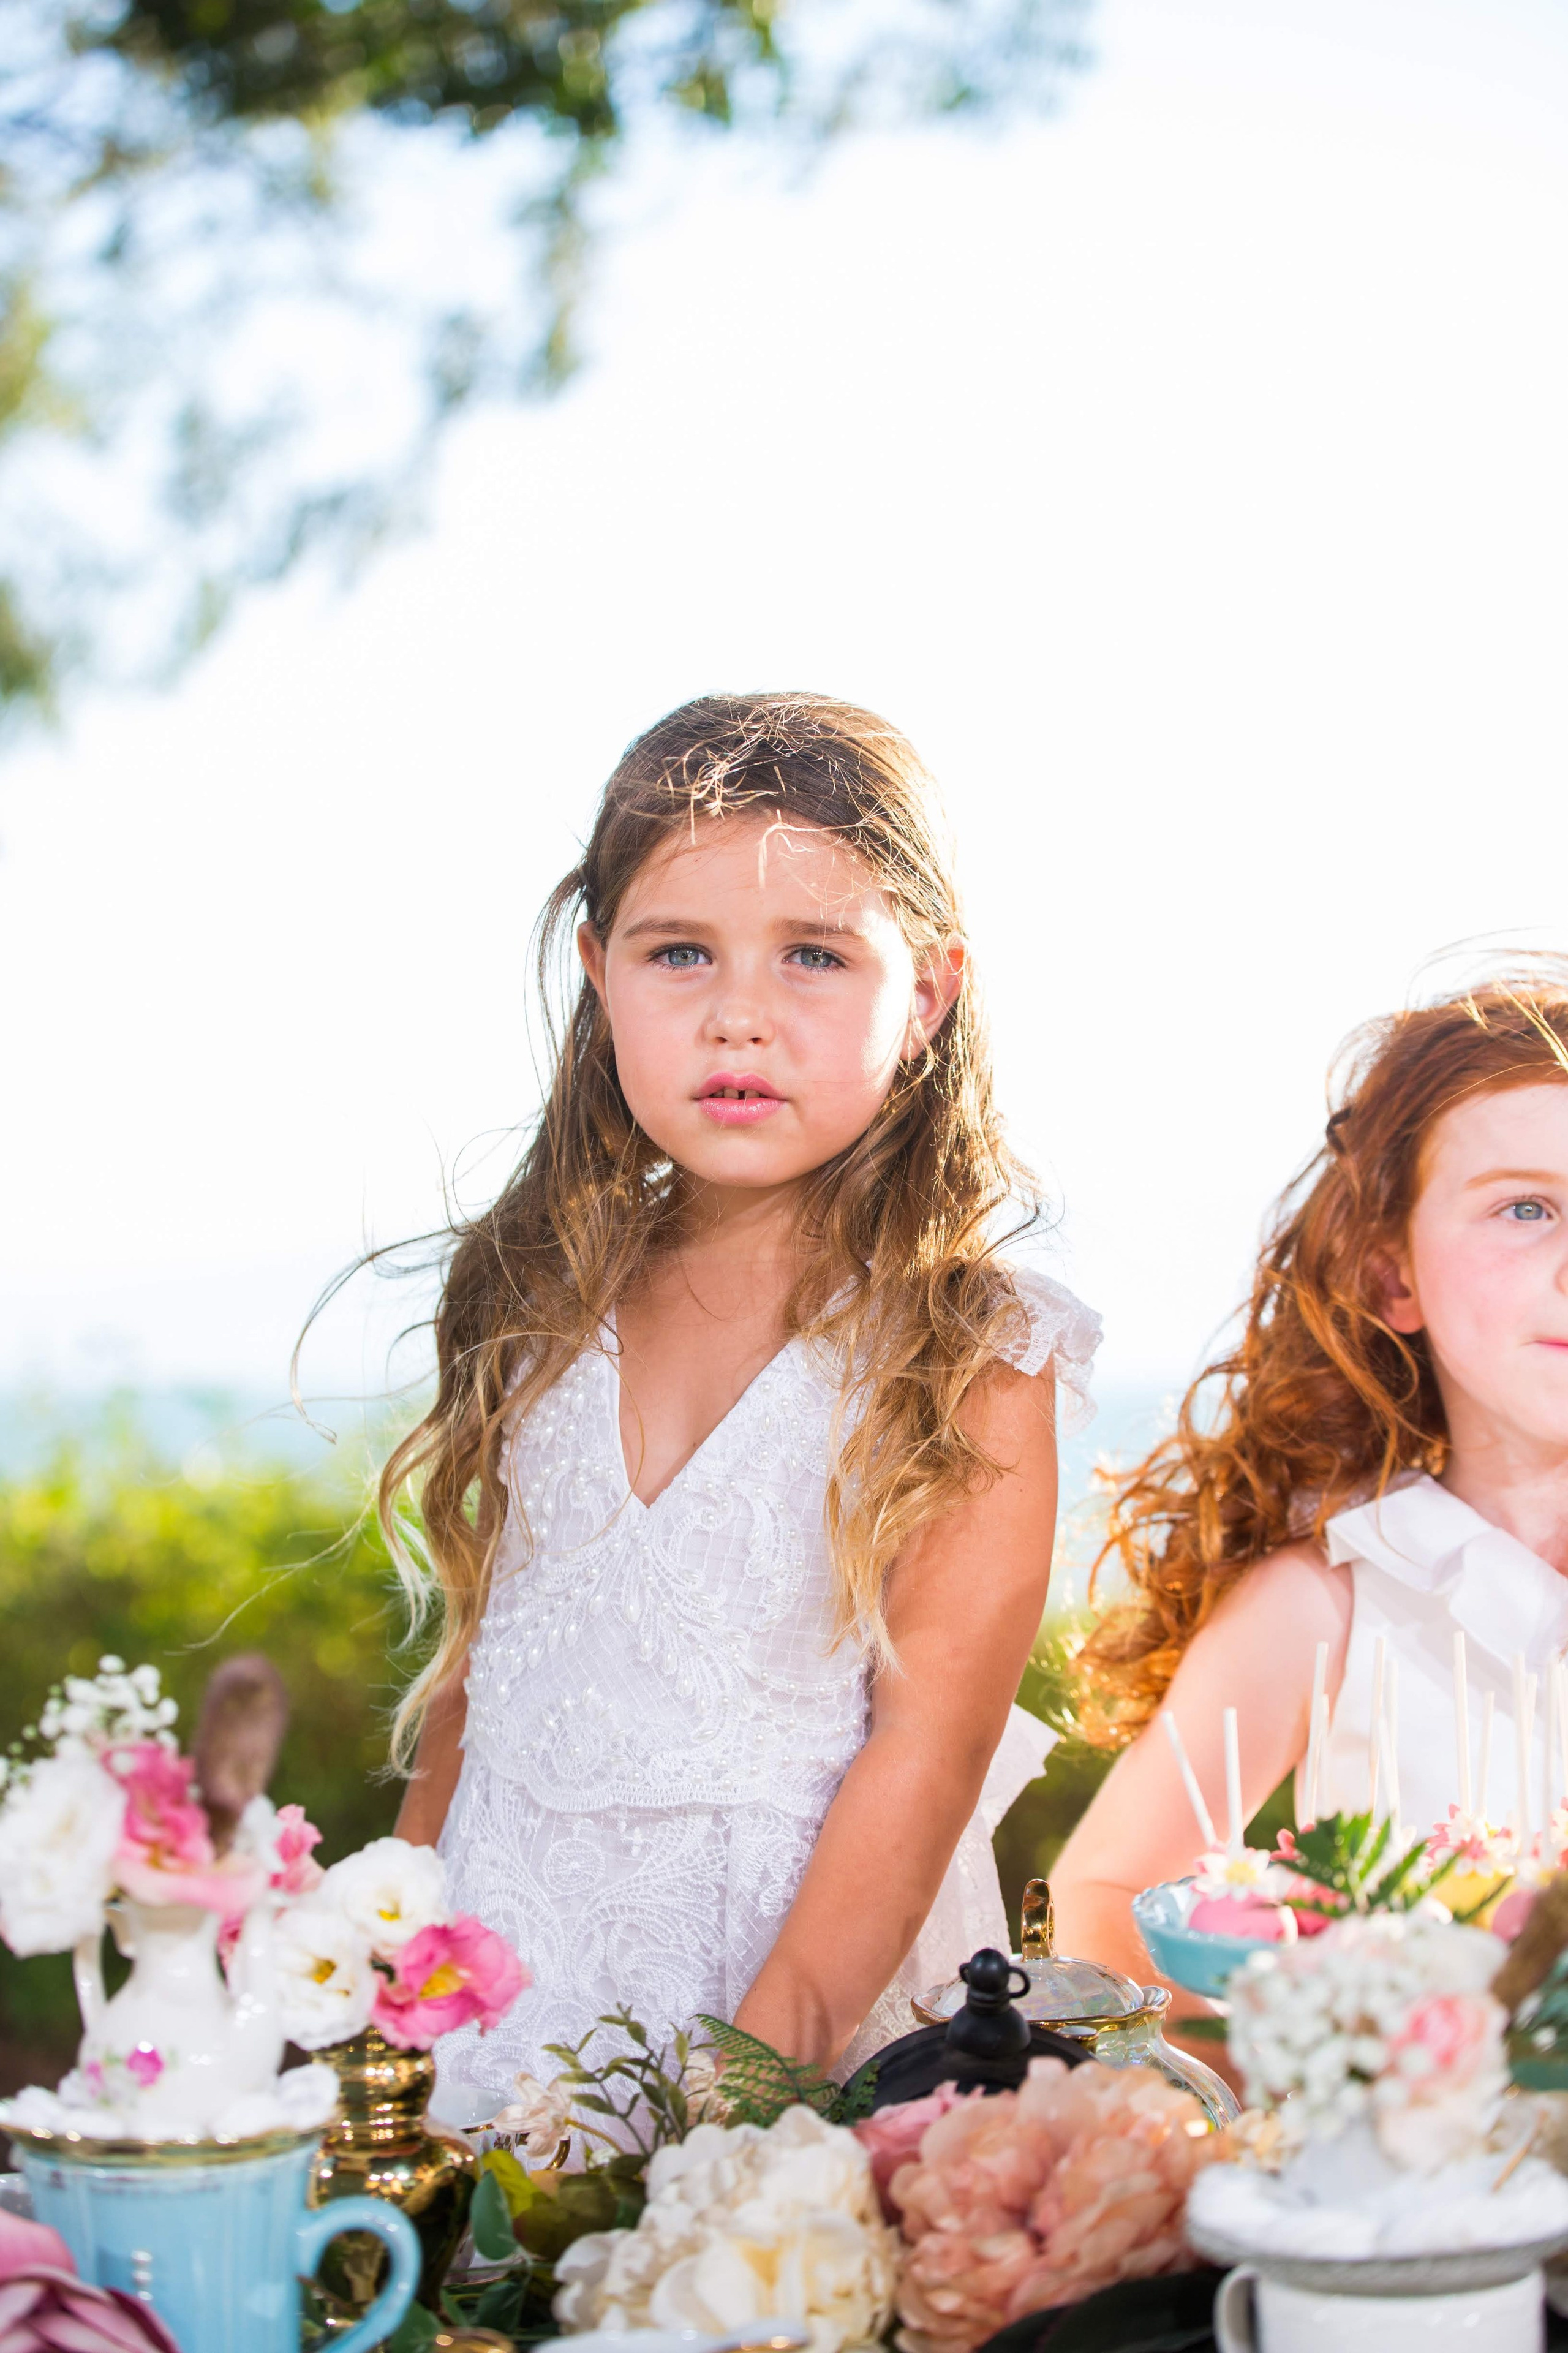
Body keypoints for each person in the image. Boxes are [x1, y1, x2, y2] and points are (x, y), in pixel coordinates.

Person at [385, 692, 1098, 2121]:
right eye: (679, 951)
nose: (737, 1012)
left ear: (929, 994)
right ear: (598, 970)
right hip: (505, 1998)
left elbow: (926, 1751)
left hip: (785, 2017)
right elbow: (481, 1695)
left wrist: (743, 2100)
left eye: (815, 956)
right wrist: (385, 2017)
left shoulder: (966, 1344)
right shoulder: (538, 1296)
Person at [1052, 969, 1568, 1993]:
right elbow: (1106, 1896)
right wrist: (1289, 2081)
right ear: (1394, 1277)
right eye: (1525, 1207)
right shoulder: (1335, 1603)